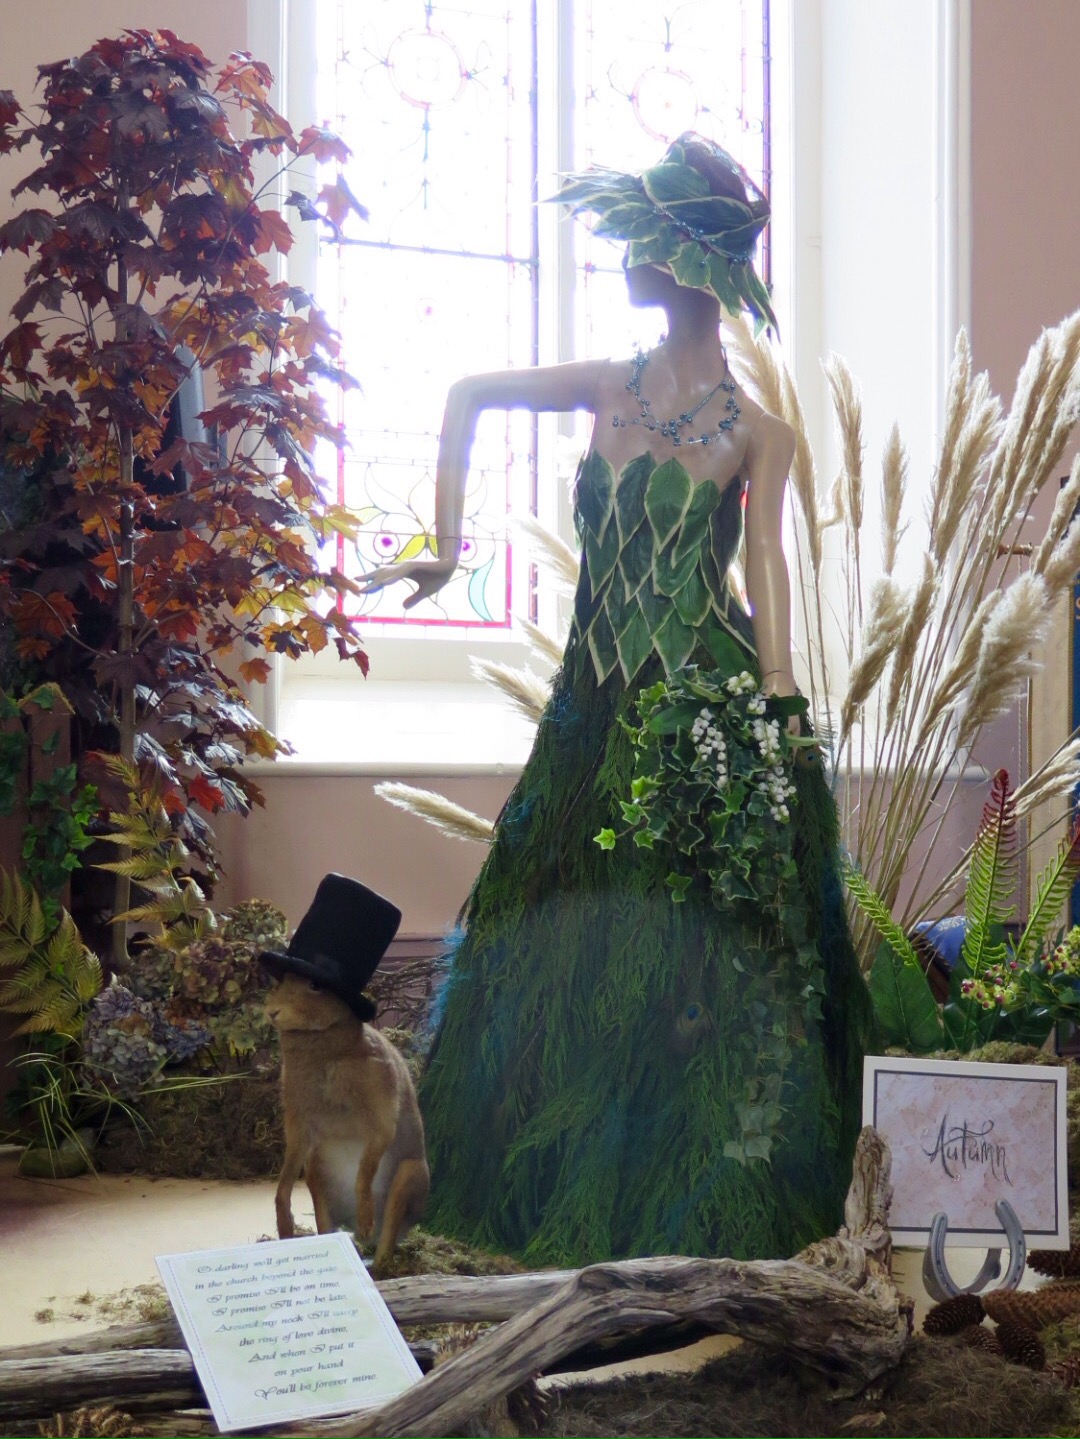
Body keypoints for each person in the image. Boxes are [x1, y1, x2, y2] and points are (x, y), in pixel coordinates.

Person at [360, 134, 872, 1265]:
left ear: (690, 262)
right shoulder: (605, 384)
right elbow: (466, 392)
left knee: (691, 954)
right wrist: (443, 544)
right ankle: (549, 1176)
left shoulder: (762, 434)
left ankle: (692, 1189)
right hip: (590, 713)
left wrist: (777, 699)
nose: (626, 259)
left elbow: (767, 568)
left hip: (696, 713)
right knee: (558, 935)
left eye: (645, 241)